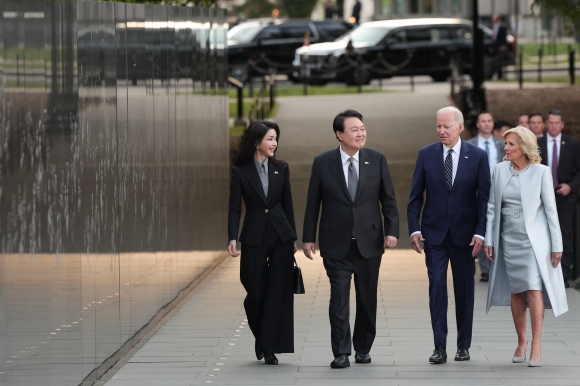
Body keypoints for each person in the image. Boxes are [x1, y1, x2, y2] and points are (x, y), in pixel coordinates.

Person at [302, 109, 399, 369]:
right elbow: (313, 203)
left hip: (370, 240)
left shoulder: (376, 160)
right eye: (354, 130)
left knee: (367, 298)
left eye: (363, 129)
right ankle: (341, 351)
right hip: (336, 243)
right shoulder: (323, 162)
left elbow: (388, 199)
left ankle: (363, 347)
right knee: (339, 298)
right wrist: (308, 238)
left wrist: (392, 231)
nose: (361, 133)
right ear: (339, 134)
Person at [408, 106, 490, 364]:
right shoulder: (426, 154)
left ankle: (463, 345)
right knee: (437, 290)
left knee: (465, 290)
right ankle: (439, 346)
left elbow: (484, 199)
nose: (441, 131)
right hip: (434, 234)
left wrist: (481, 232)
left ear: (460, 127)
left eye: (446, 126)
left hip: (466, 236)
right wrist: (415, 228)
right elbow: (414, 196)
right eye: (438, 126)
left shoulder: (477, 156)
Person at [484, 126, 568, 367]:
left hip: (533, 242)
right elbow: (492, 207)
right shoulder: (498, 170)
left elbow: (551, 210)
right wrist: (490, 239)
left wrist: (556, 244)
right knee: (517, 291)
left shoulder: (541, 172)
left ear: (525, 147)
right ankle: (521, 341)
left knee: (533, 288)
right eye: (506, 143)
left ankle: (537, 342)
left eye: (511, 144)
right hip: (508, 239)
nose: (506, 148)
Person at [228, 121, 298, 365]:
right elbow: (234, 208)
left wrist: (293, 238)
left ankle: (269, 347)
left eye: (276, 139)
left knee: (276, 293)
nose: (274, 143)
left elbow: (287, 204)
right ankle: (262, 336)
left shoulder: (282, 168)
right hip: (254, 237)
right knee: (256, 293)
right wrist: (231, 237)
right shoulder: (240, 171)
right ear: (256, 142)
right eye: (270, 139)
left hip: (280, 235)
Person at [538, 110, 580, 287]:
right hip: (541, 197)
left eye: (557, 123)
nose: (554, 126)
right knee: (543, 234)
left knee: (563, 234)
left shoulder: (572, 143)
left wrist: (571, 186)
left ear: (562, 124)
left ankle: (562, 275)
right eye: (551, 122)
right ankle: (543, 274)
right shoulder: (537, 142)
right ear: (546, 124)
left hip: (564, 196)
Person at [466, 111, 506, 282]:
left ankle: (499, 265)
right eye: (483, 121)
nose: (487, 124)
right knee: (480, 226)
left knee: (499, 226)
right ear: (478, 124)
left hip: (499, 190)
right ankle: (485, 268)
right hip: (476, 192)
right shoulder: (469, 145)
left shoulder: (501, 144)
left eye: (489, 121)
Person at [490, 15, 508, 79]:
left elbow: (504, 37)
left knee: (499, 61)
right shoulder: (493, 26)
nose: (493, 20)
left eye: (494, 18)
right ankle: (495, 74)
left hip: (500, 46)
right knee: (495, 61)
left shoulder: (502, 27)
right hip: (495, 46)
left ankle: (500, 75)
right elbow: (493, 37)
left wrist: (503, 46)